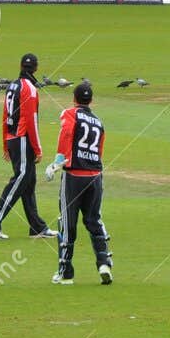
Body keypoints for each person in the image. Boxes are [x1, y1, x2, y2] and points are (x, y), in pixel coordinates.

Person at [0, 53, 57, 241]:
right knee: (22, 179)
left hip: (13, 138)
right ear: (36, 68)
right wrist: (38, 149)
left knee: (28, 183)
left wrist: (5, 143)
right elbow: (31, 120)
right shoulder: (29, 88)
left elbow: (5, 115)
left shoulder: (12, 86)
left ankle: (37, 227)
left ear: (21, 66)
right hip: (22, 139)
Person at [43, 80, 113, 285]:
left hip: (74, 176)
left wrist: (56, 164)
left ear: (74, 99)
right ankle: (104, 263)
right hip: (95, 176)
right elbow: (99, 151)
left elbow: (66, 135)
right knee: (94, 220)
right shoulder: (99, 122)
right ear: (91, 100)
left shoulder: (70, 114)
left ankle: (65, 273)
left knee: (67, 224)